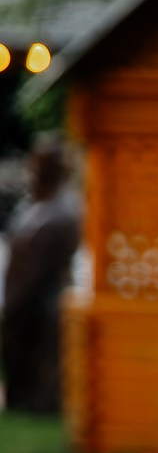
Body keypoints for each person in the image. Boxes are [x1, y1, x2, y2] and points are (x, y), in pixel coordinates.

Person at [2, 141, 82, 414]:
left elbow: (35, 264)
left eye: (38, 164)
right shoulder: (39, 202)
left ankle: (39, 404)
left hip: (40, 300)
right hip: (26, 299)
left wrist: (14, 301)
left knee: (41, 361)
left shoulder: (61, 210)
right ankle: (24, 401)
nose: (31, 170)